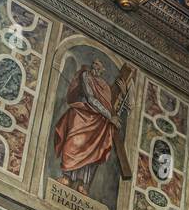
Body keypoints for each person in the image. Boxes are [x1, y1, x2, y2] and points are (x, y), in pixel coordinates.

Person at [52, 58, 131, 193]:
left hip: (99, 120)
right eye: (93, 63)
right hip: (84, 112)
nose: (94, 66)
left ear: (102, 70)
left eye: (98, 64)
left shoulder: (105, 86)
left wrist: (124, 95)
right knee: (74, 140)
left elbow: (115, 106)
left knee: (93, 149)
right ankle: (67, 177)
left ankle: (82, 183)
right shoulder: (85, 75)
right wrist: (109, 116)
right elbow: (91, 98)